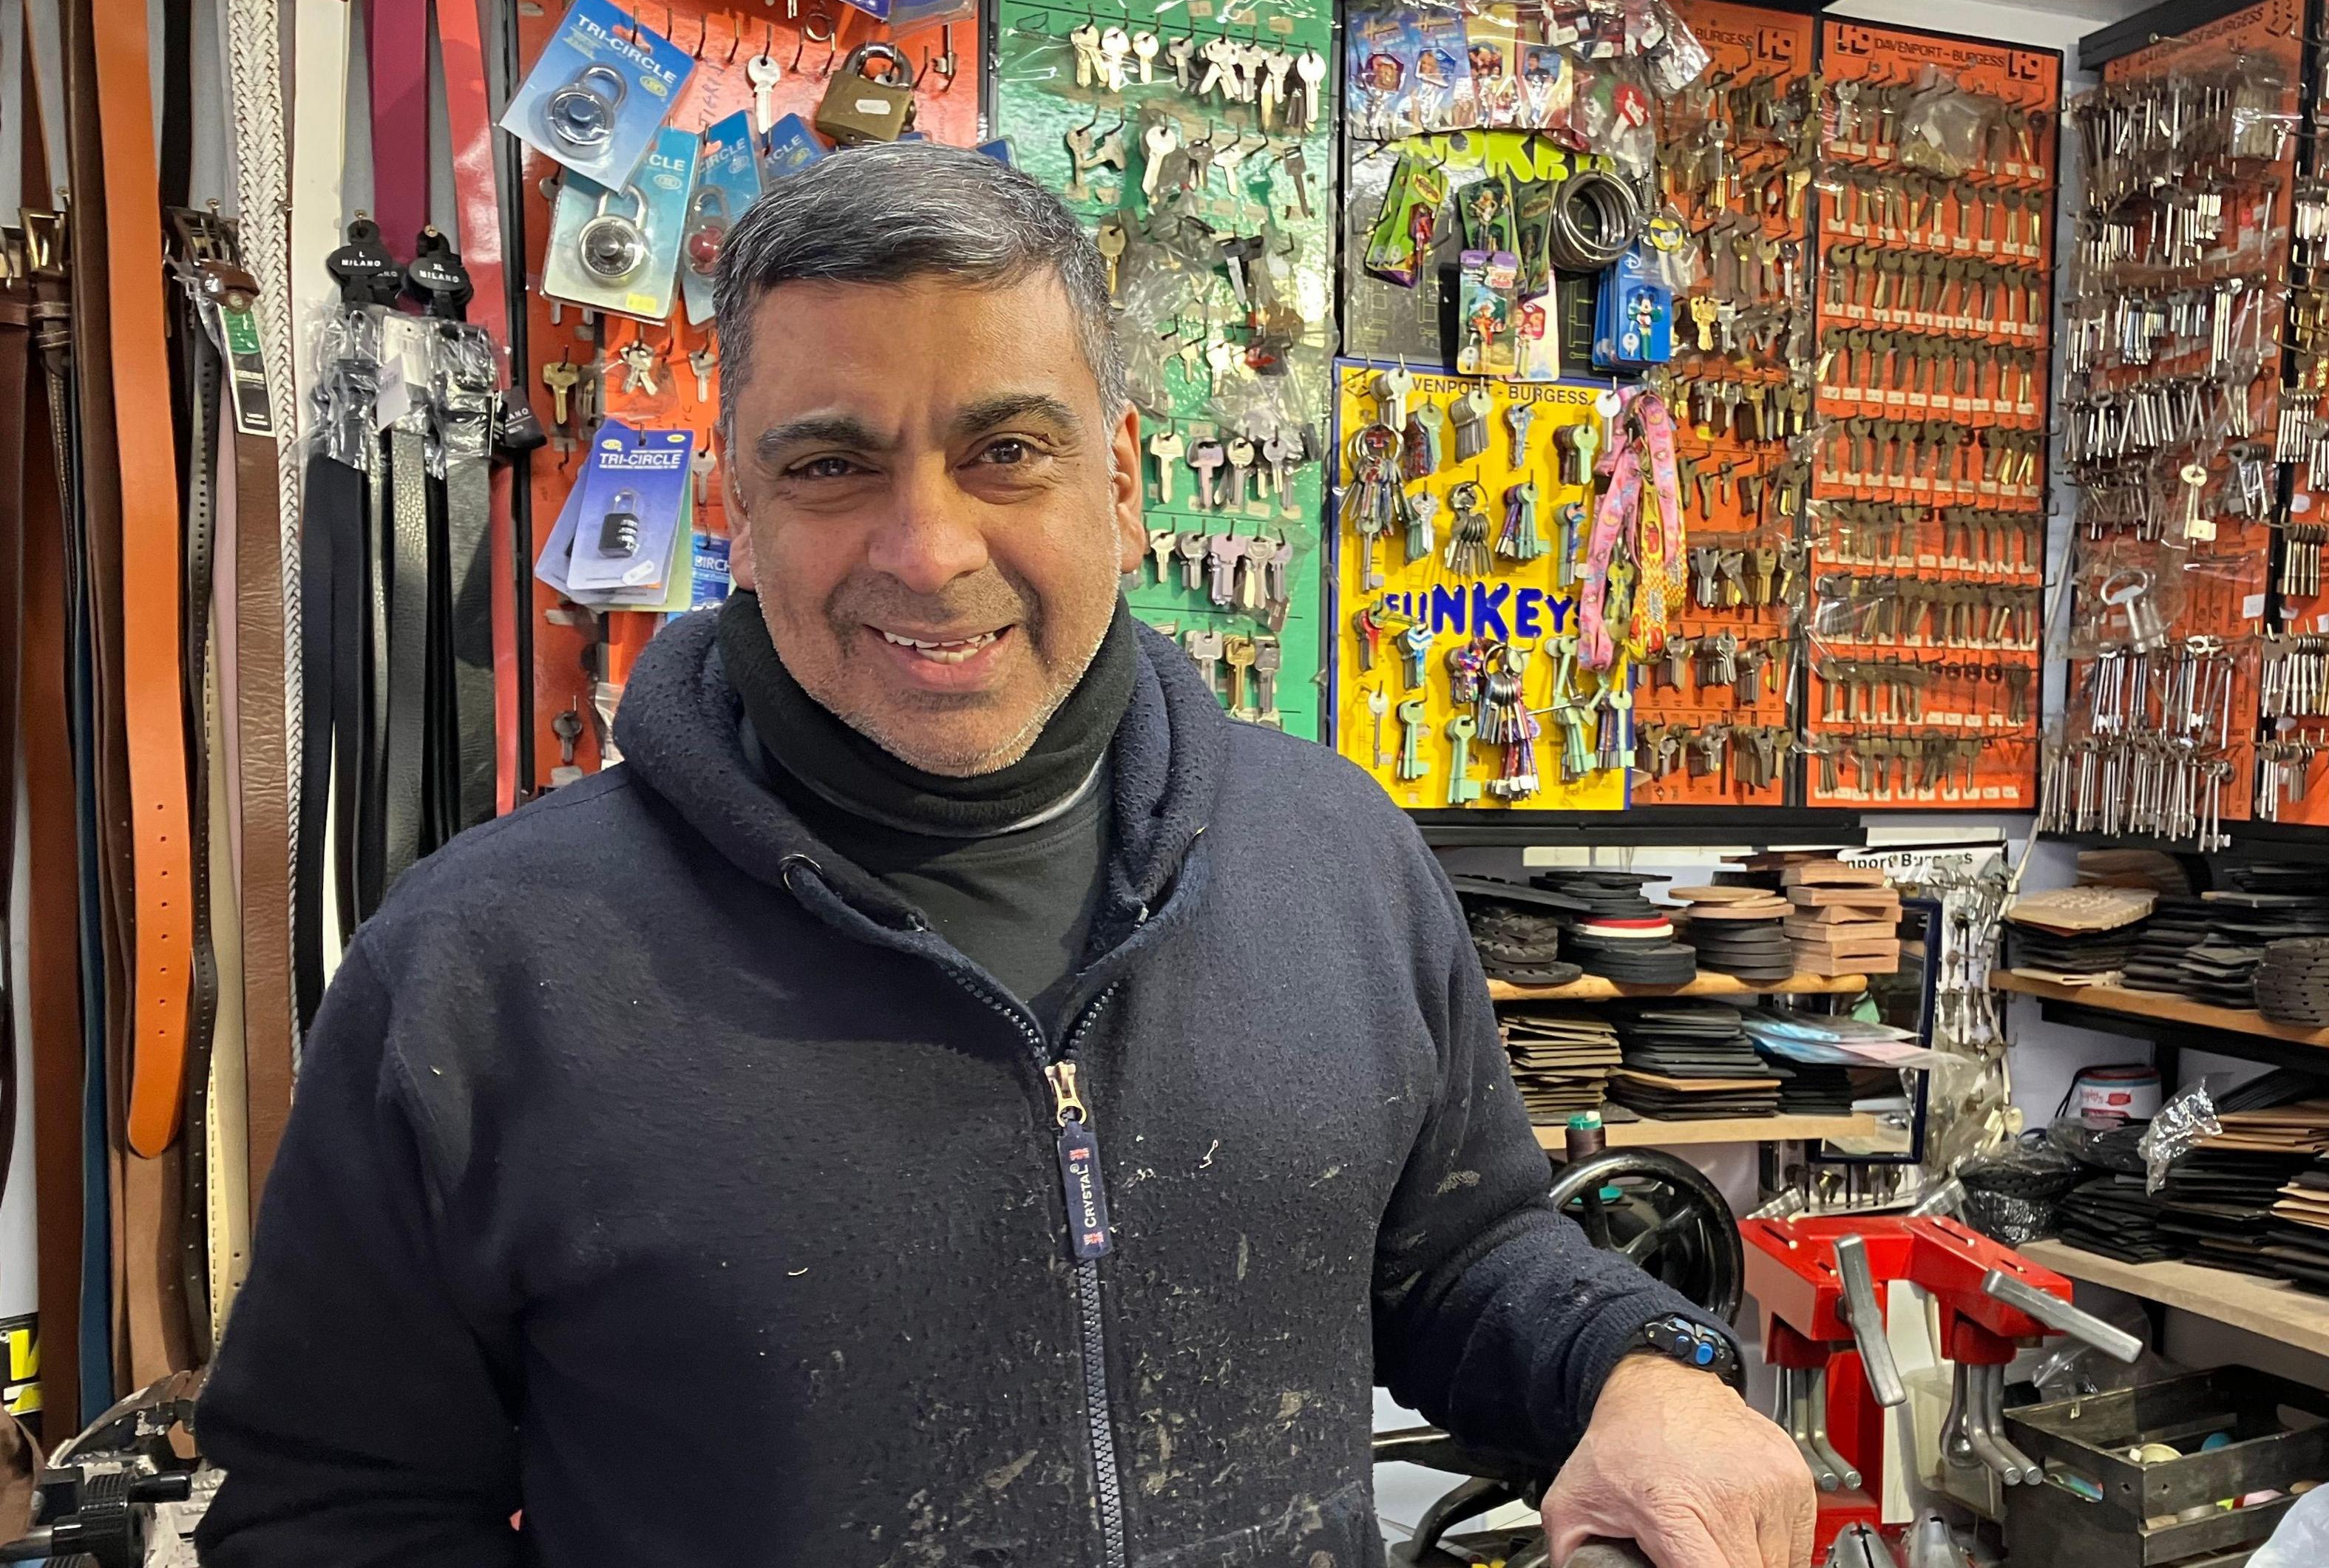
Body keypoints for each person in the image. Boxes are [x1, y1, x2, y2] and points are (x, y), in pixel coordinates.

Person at [195, 143, 1814, 1568]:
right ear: (730, 502)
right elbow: (336, 1506)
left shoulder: (1338, 860)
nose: (929, 547)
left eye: (1005, 452)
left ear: (1119, 477)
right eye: (832, 464)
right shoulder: (485, 969)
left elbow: (1457, 1255)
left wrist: (1639, 1364)